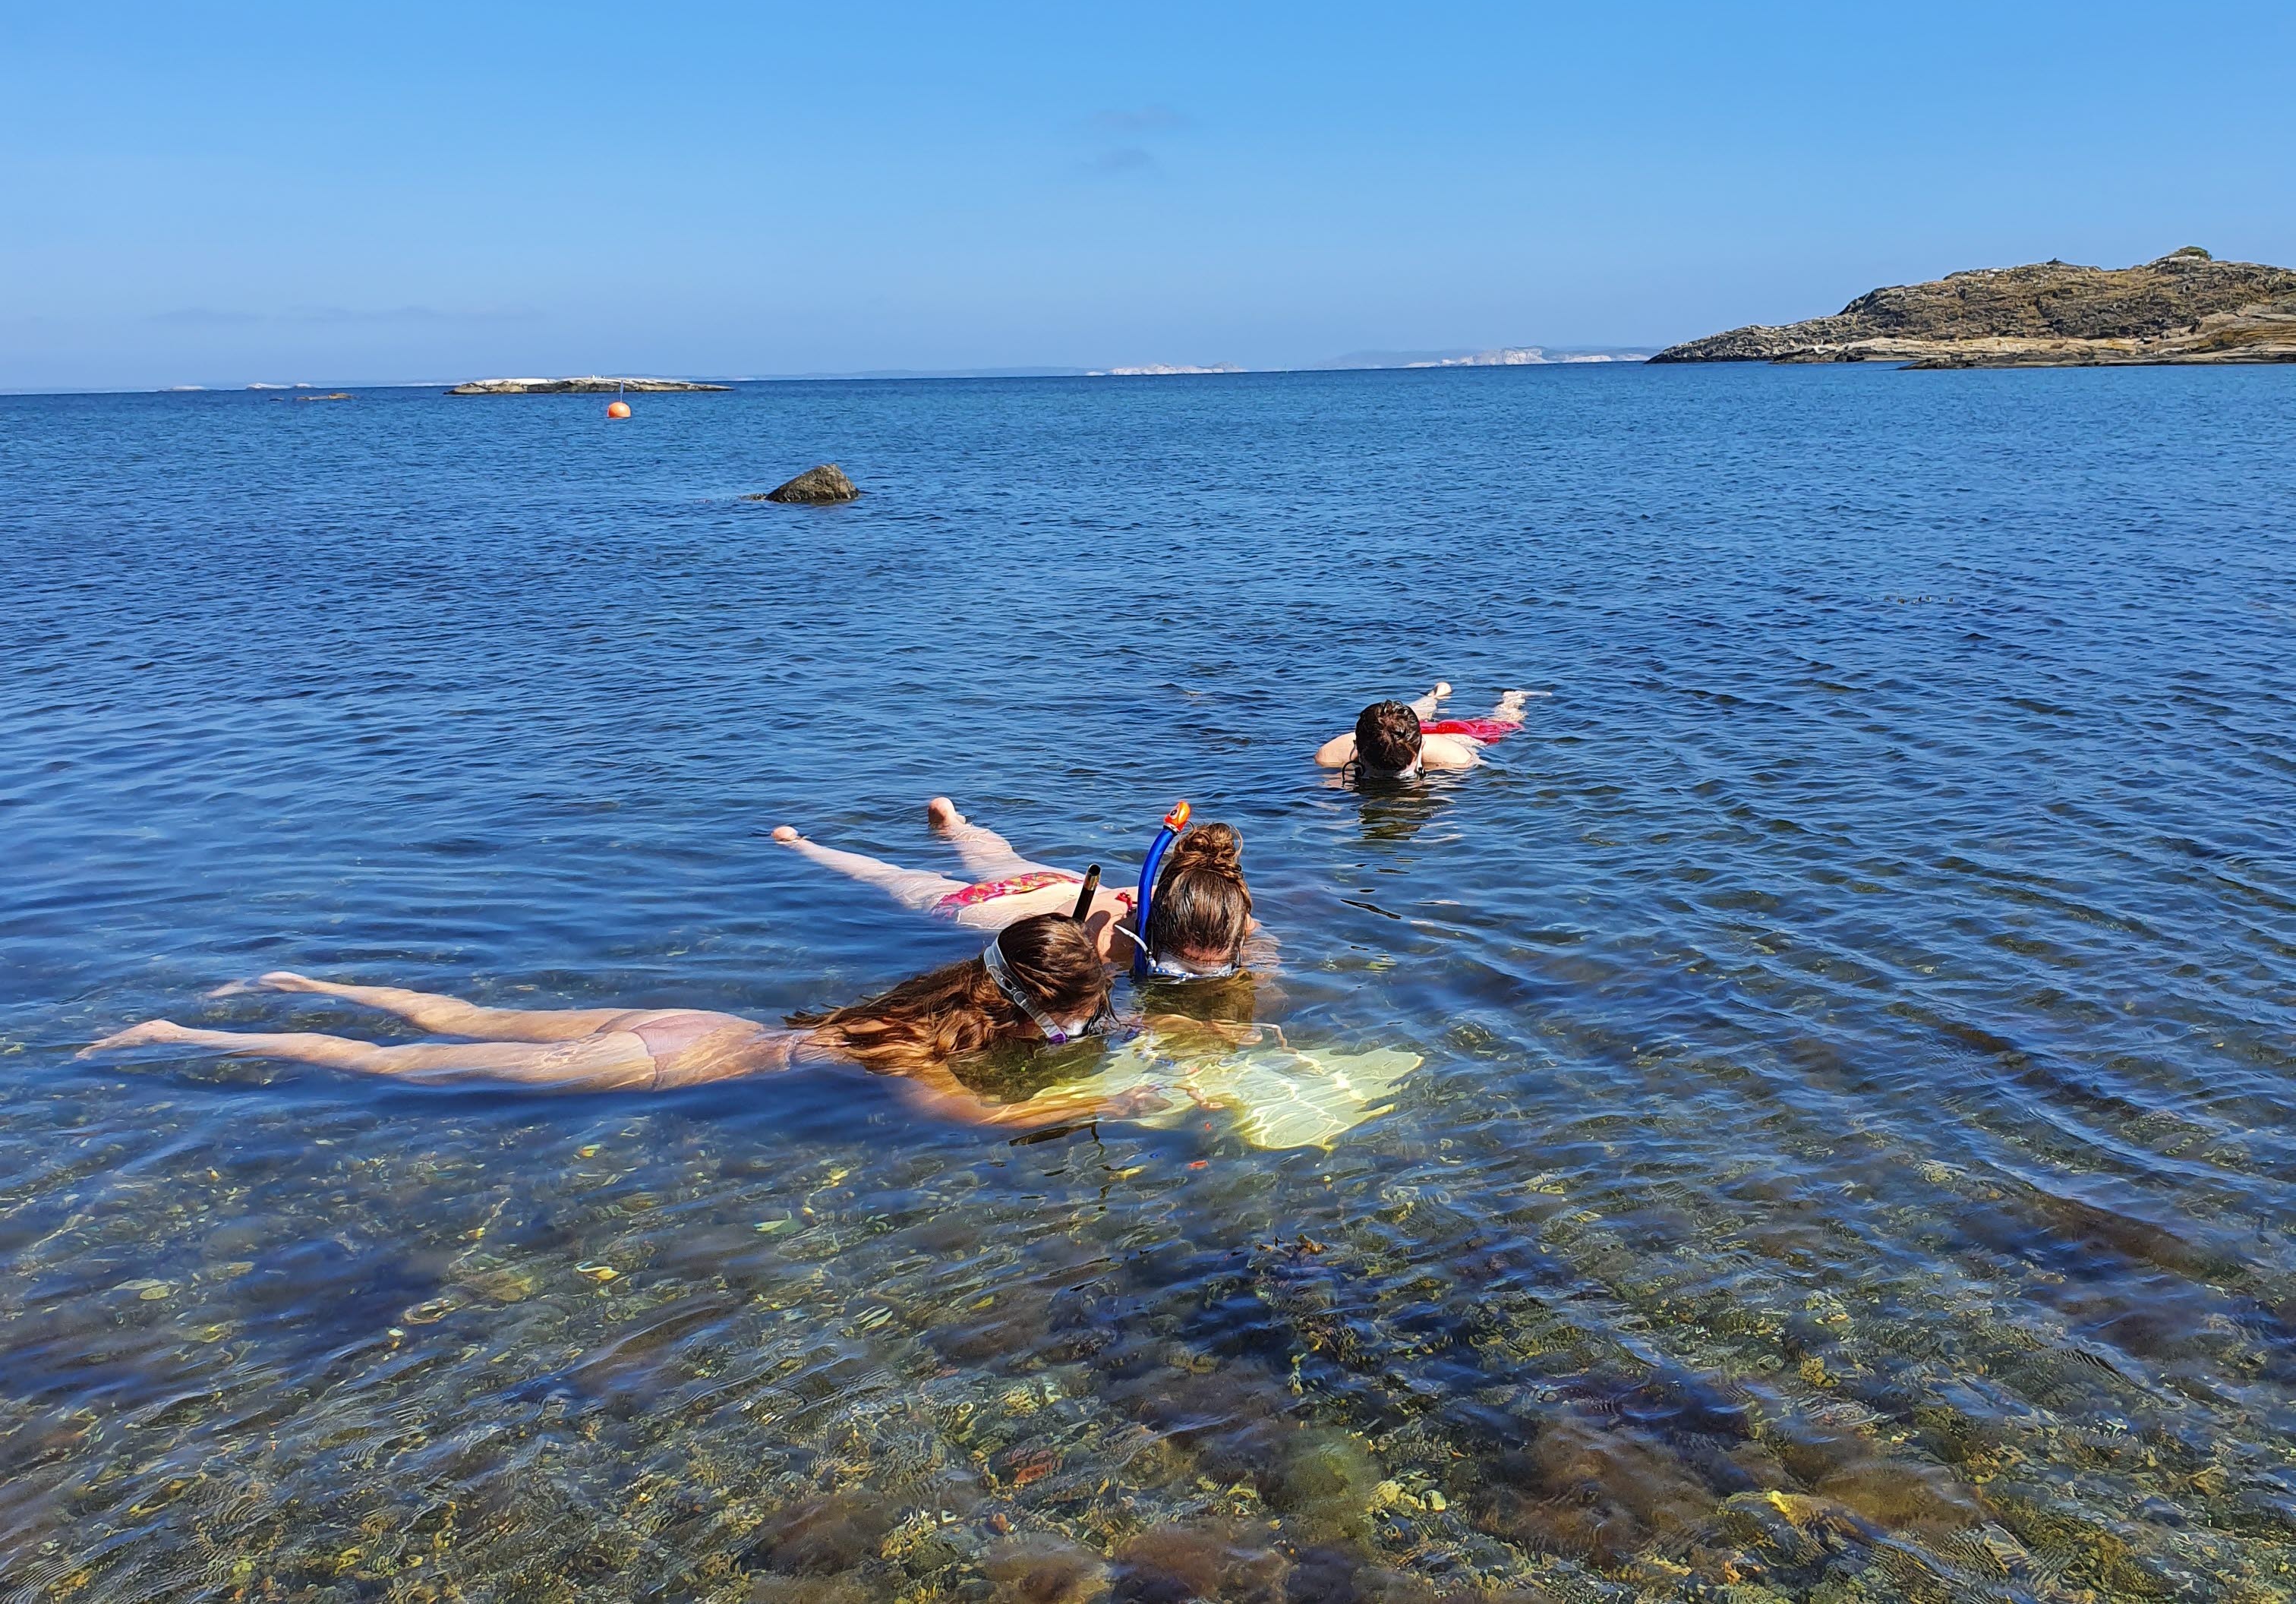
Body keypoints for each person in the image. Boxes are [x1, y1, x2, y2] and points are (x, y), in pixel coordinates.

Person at [80, 915, 1160, 1129]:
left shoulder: (916, 1005)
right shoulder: (911, 1060)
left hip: (690, 1019)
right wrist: (1125, 1100)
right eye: (1072, 1022)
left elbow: (1053, 993)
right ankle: (176, 1037)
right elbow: (981, 1121)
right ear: (1022, 1008)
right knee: (395, 1069)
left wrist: (1105, 1003)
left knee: (461, 1015)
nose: (1077, 1031)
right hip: (657, 1066)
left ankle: (292, 974)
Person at [771, 798, 1260, 978]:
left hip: (1056, 883)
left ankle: (954, 825)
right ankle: (799, 845)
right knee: (889, 878)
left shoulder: (1204, 900)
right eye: (1178, 968)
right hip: (991, 911)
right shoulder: (1112, 947)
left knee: (999, 858)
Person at [1314, 681, 1534, 777]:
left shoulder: (1455, 757)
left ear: (1357, 745)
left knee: (1504, 721)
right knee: (1396, 722)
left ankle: (1512, 699)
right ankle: (1435, 695)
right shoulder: (1332, 753)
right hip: (1408, 734)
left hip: (1461, 737)